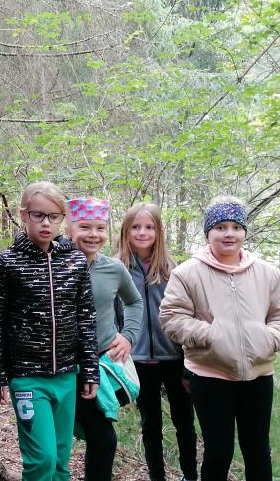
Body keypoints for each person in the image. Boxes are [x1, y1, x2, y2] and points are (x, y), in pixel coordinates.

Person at [160, 196, 280, 481]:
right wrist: (211, 335)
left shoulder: (267, 273)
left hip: (259, 374)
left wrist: (268, 339)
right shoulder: (187, 273)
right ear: (208, 232)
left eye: (236, 227)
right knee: (218, 453)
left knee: (258, 451)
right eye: (220, 227)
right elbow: (172, 317)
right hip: (210, 375)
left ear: (244, 232)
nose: (229, 234)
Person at [0, 181, 99, 480]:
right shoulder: (8, 262)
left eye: (54, 216)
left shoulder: (75, 261)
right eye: (38, 215)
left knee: (61, 460)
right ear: (23, 215)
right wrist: (0, 374)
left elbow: (86, 317)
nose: (46, 223)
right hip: (27, 377)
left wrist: (90, 370)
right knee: (42, 459)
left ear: (63, 218)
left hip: (67, 374)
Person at [115, 202, 198, 481]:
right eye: (136, 227)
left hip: (174, 358)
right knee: (150, 425)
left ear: (159, 232)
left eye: (149, 227)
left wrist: (189, 361)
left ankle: (190, 475)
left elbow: (187, 316)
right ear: (126, 231)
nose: (142, 232)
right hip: (137, 361)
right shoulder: (117, 269)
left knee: (184, 422)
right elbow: (111, 315)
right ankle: (157, 477)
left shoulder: (174, 270)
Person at [63, 198, 143, 481]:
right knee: (62, 440)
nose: (93, 234)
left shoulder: (114, 268)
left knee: (103, 439)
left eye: (100, 228)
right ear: (69, 229)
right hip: (62, 366)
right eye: (85, 227)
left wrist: (128, 336)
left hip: (99, 366)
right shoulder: (54, 265)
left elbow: (135, 302)